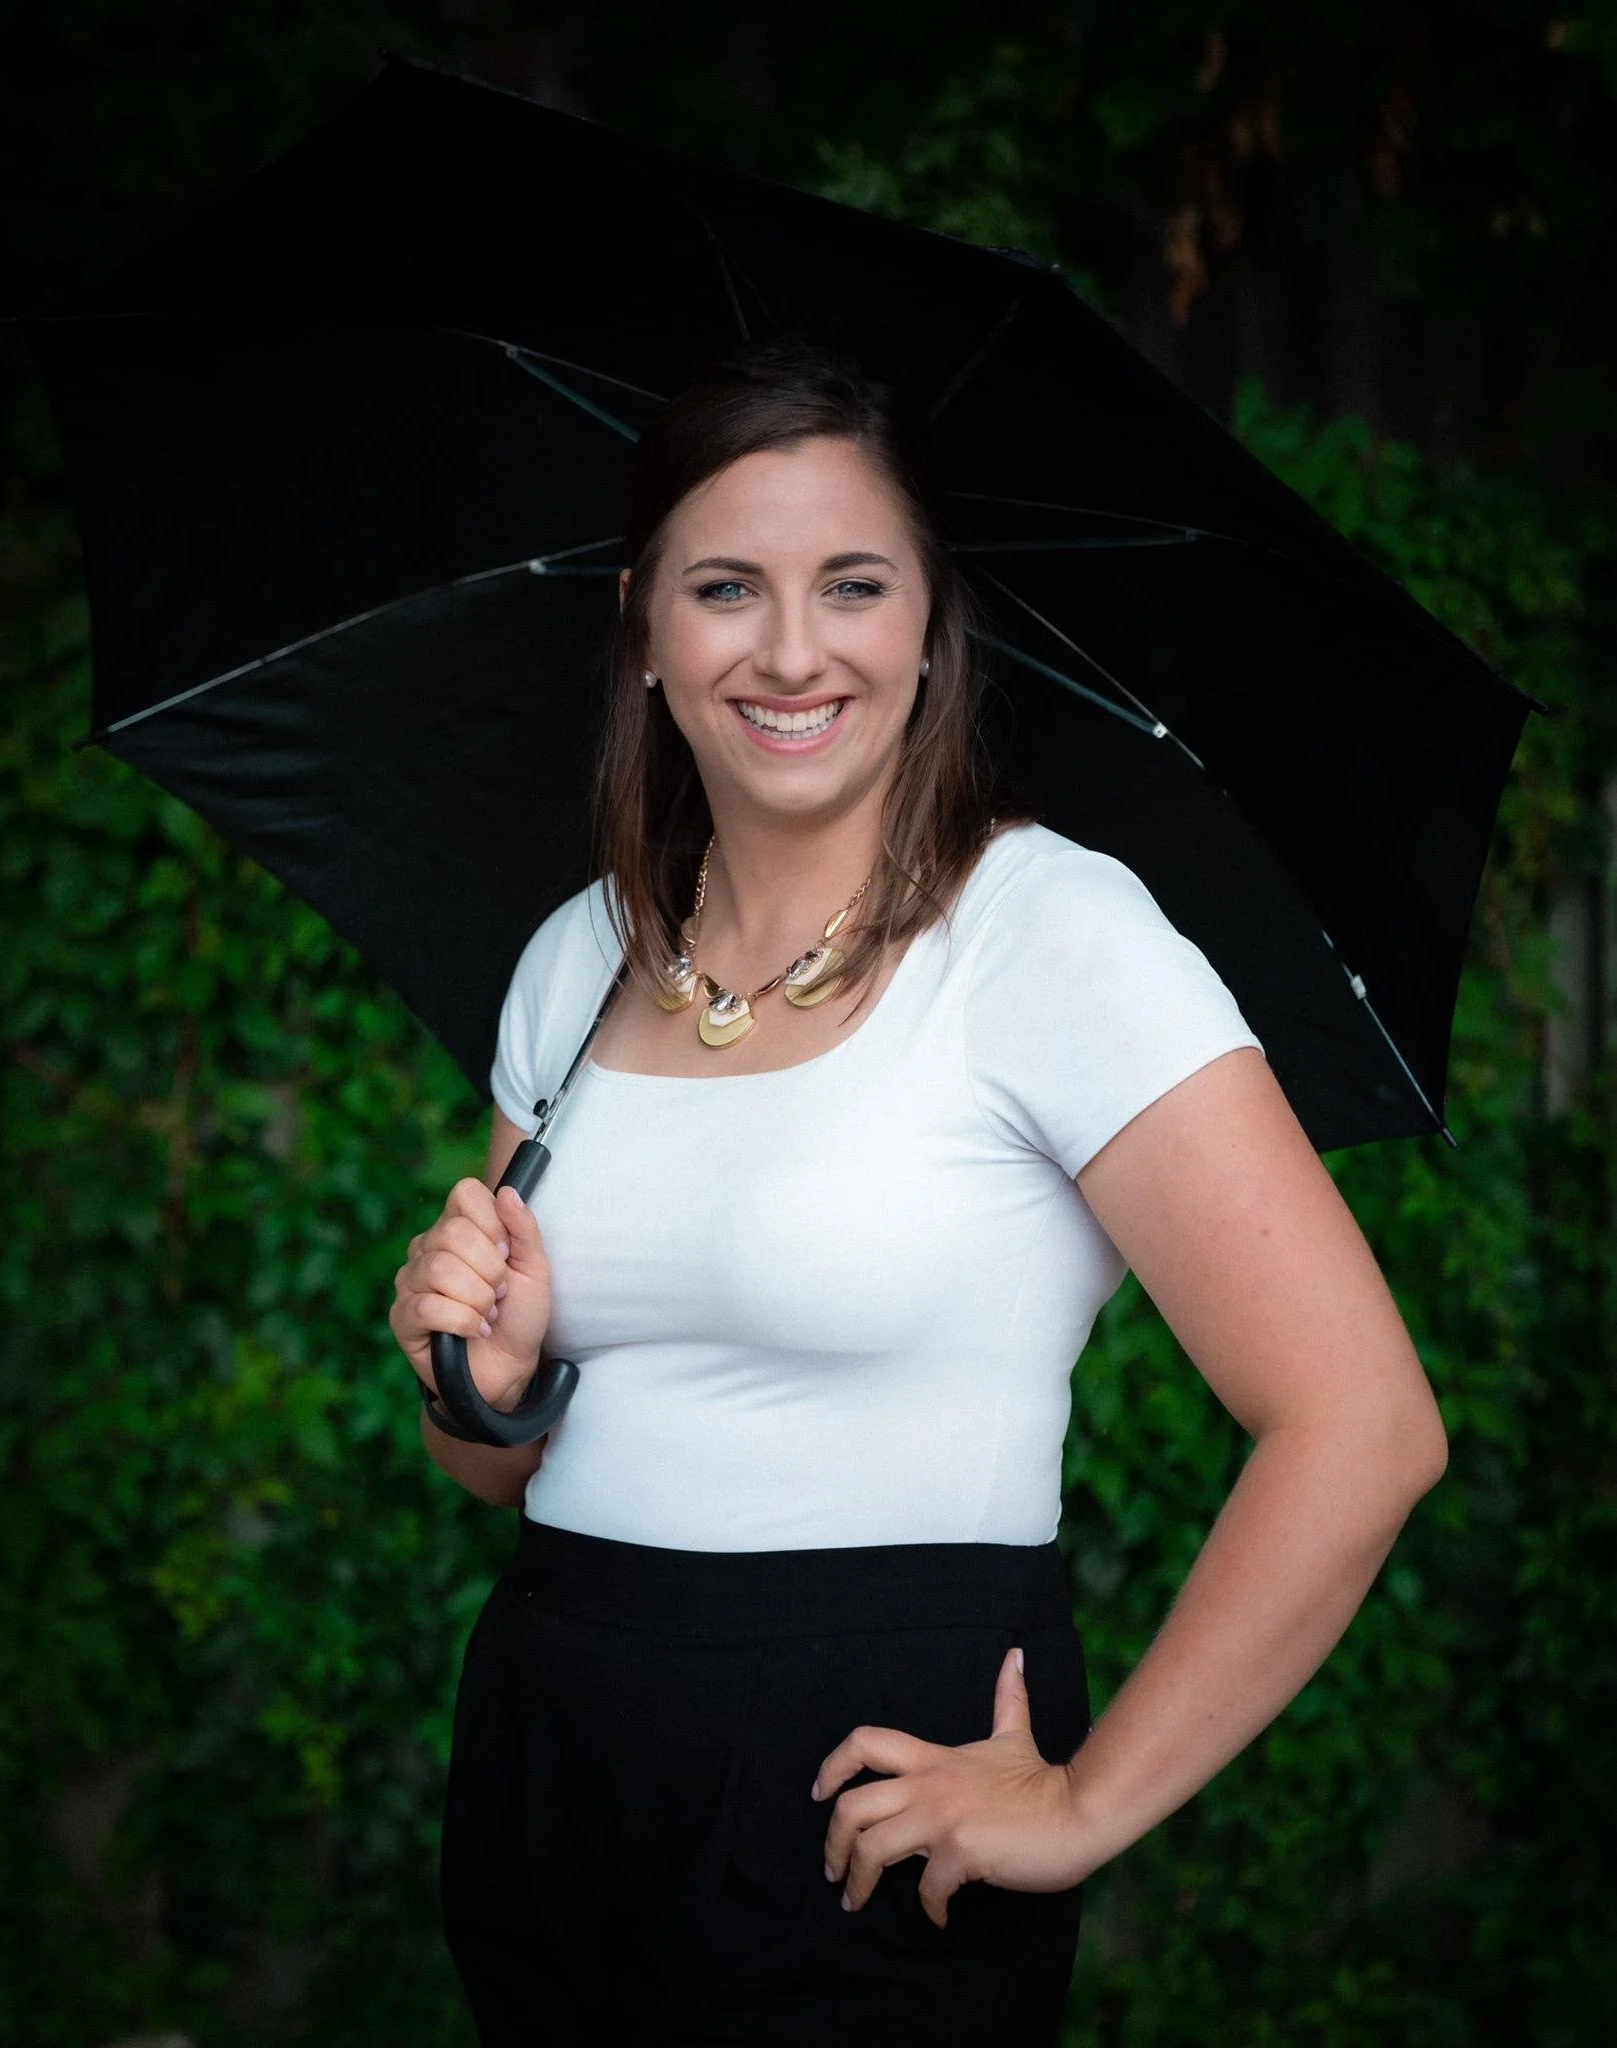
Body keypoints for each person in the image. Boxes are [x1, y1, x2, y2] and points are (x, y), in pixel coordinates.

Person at [388, 340, 1448, 2046]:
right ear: (644, 629)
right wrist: (478, 1384)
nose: (790, 650)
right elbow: (487, 1475)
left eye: (853, 586)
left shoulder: (1050, 937)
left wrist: (1087, 1802)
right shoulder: (575, 960)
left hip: (861, 1774)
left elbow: (1363, 1426)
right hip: (551, 1747)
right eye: (725, 587)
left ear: (932, 630)